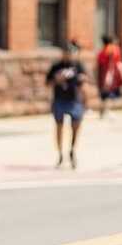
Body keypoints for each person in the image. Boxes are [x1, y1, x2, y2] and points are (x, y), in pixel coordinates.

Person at [45, 41, 89, 169]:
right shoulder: (56, 66)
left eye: (71, 53)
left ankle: (72, 150)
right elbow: (47, 82)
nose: (69, 55)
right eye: (67, 53)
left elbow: (86, 80)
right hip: (59, 99)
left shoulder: (78, 65)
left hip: (74, 100)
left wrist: (86, 99)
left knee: (75, 126)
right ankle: (59, 154)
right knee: (59, 127)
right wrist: (56, 79)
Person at [94, 34, 122, 120]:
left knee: (103, 95)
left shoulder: (101, 52)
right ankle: (106, 111)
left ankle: (102, 112)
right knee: (108, 94)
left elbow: (98, 65)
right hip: (110, 75)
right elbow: (114, 64)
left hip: (101, 75)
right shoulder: (113, 50)